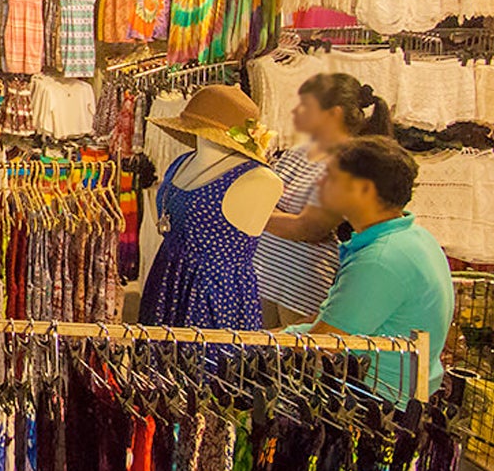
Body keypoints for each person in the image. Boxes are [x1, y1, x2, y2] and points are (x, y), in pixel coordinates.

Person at [294, 136, 452, 407]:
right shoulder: (412, 235)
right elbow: (334, 318)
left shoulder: (380, 260)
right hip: (399, 391)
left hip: (377, 404)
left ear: (364, 189)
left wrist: (257, 342)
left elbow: (323, 343)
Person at [138, 85, 284, 329]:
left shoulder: (259, 180)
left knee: (203, 363)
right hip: (166, 278)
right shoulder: (181, 163)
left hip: (213, 292)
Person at [255, 73, 394, 327]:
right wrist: (275, 215)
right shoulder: (300, 152)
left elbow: (309, 228)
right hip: (266, 275)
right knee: (257, 355)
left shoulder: (350, 163)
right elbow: (264, 199)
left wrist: (259, 213)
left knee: (289, 361)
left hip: (301, 285)